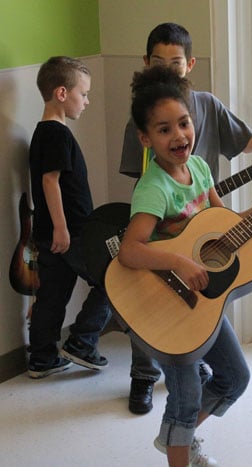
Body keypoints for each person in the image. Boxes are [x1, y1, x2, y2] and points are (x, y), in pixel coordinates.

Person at [120, 22, 252, 415]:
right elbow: (132, 248)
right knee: (185, 397)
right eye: (164, 129)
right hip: (165, 288)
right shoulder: (153, 184)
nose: (179, 134)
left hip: (198, 297)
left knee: (232, 378)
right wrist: (178, 259)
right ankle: (169, 424)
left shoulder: (202, 166)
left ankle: (185, 441)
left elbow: (221, 222)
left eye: (184, 124)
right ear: (146, 137)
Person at [28, 56, 112, 379]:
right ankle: (82, 340)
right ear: (62, 93)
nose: (87, 101)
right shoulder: (57, 134)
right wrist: (62, 229)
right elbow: (51, 182)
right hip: (71, 232)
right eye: (84, 93)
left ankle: (42, 357)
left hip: (50, 232)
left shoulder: (43, 132)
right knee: (112, 279)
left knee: (51, 295)